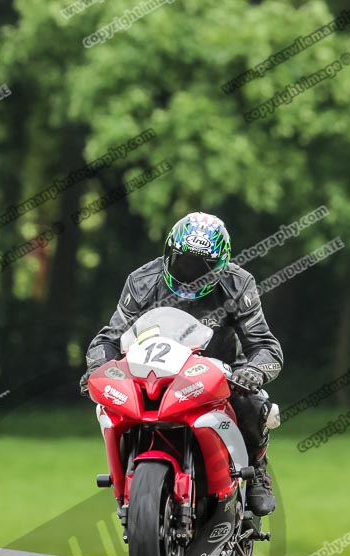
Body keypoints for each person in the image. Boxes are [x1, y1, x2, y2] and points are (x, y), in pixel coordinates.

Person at [80, 211, 283, 516]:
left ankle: (257, 468)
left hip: (220, 372)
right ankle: (126, 478)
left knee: (255, 407)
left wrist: (251, 373)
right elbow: (108, 338)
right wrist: (97, 368)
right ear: (168, 254)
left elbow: (266, 346)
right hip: (151, 370)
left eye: (202, 267)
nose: (190, 274)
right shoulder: (141, 281)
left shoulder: (239, 284)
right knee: (110, 408)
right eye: (183, 262)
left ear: (222, 264)